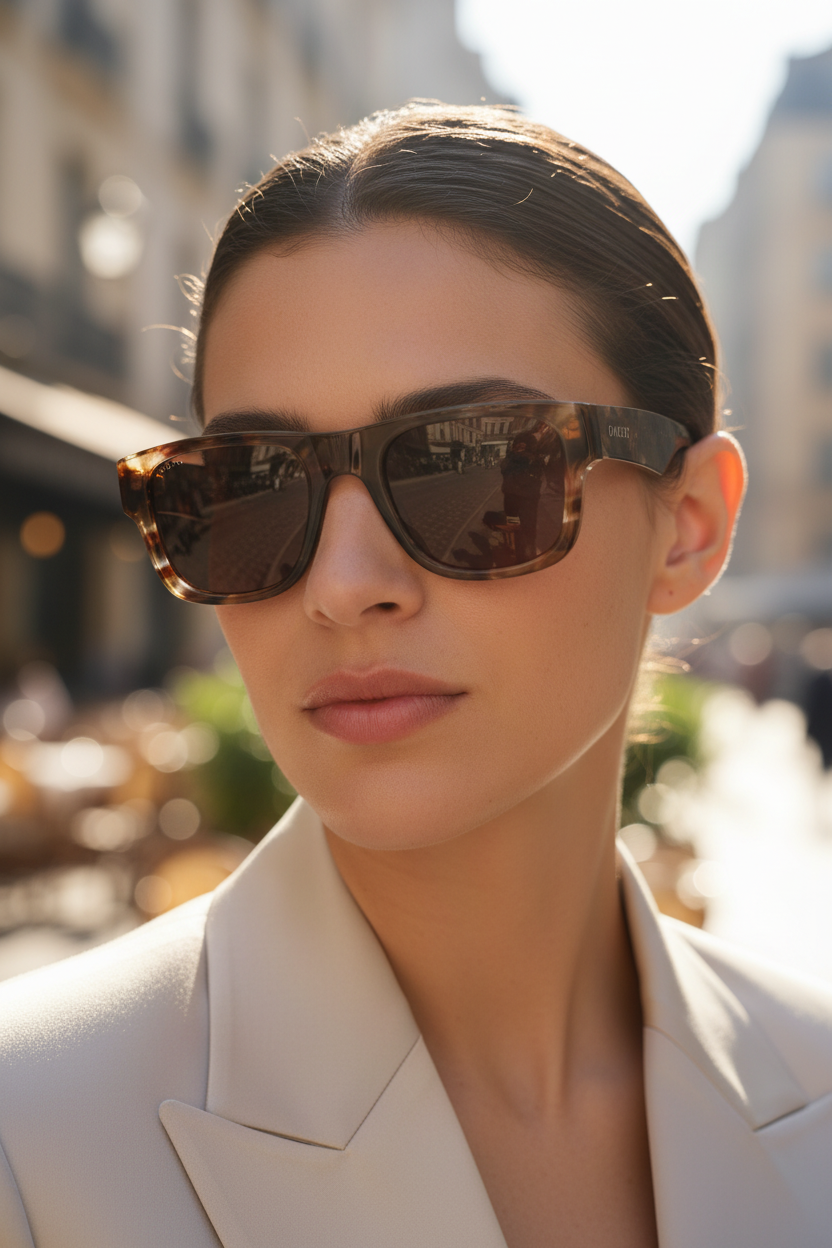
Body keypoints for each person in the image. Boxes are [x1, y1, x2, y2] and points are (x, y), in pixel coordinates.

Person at [1, 103, 830, 1248]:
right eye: (248, 487)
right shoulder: (29, 1145)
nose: (343, 584)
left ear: (686, 525)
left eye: (472, 468)